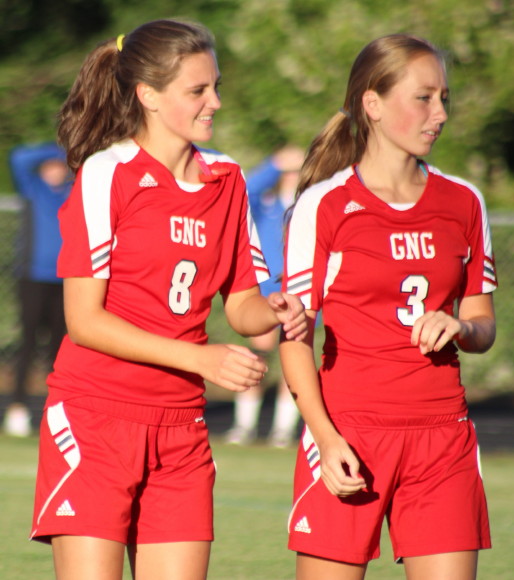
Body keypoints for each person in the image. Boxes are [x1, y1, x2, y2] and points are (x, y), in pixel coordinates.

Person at [29, 19, 306, 580]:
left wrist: (275, 309)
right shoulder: (108, 173)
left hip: (181, 429)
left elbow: (243, 305)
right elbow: (84, 321)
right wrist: (200, 358)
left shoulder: (227, 179)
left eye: (216, 86)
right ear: (148, 95)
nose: (215, 102)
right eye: (197, 90)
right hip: (96, 417)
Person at [279, 33, 497, 580]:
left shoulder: (465, 201)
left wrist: (460, 327)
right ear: (372, 104)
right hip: (350, 432)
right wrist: (325, 438)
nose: (439, 113)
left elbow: (483, 325)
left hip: (442, 436)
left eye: (444, 98)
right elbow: (294, 339)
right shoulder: (325, 205)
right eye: (423, 98)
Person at [225, 145, 304, 448]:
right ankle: (244, 425)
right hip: (265, 294)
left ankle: (282, 430)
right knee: (255, 357)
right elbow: (244, 192)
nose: (292, 176)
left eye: (297, 171)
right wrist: (274, 163)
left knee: (293, 362)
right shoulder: (267, 204)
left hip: (299, 295)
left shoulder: (307, 208)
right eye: (288, 172)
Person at [3, 142, 70, 437]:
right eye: (50, 166)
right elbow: (19, 157)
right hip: (32, 278)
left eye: (59, 167)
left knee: (59, 350)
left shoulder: (72, 193)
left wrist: (68, 158)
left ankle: (55, 411)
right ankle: (17, 408)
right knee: (28, 344)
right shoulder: (33, 189)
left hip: (65, 281)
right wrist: (59, 150)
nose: (55, 171)